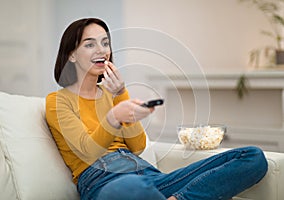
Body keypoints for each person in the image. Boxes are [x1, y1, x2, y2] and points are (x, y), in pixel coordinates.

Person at [45, 18, 268, 200]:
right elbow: (87, 150)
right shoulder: (58, 101)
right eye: (90, 44)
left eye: (105, 43)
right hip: (103, 182)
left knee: (252, 157)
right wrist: (114, 118)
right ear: (71, 54)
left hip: (150, 177)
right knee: (130, 187)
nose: (102, 50)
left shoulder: (112, 94)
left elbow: (138, 146)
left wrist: (120, 93)